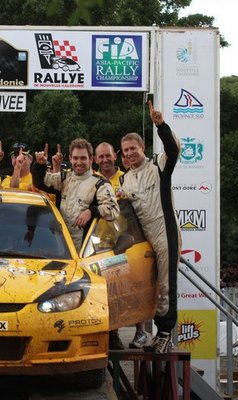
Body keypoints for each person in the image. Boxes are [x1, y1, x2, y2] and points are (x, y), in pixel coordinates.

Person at [119, 100, 181, 353]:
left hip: (163, 230)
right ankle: (148, 333)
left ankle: (165, 332)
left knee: (166, 282)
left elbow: (174, 149)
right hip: (142, 238)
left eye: (133, 148)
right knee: (146, 285)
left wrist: (161, 125)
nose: (130, 153)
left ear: (142, 147)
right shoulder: (124, 178)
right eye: (125, 150)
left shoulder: (158, 165)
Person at [95, 142, 148, 350]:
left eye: (108, 156)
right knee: (110, 291)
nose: (105, 160)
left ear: (115, 156)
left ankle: (141, 331)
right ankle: (113, 333)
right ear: (95, 160)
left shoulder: (126, 178)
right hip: (102, 243)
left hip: (128, 241)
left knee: (135, 286)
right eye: (101, 157)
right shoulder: (93, 180)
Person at [32, 139, 120, 250]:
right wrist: (40, 165)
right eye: (75, 158)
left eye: (83, 158)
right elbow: (40, 182)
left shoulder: (100, 184)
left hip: (85, 250)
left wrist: (91, 211)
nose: (79, 162)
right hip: (60, 243)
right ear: (70, 159)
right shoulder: (64, 178)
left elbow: (113, 210)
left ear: (91, 159)